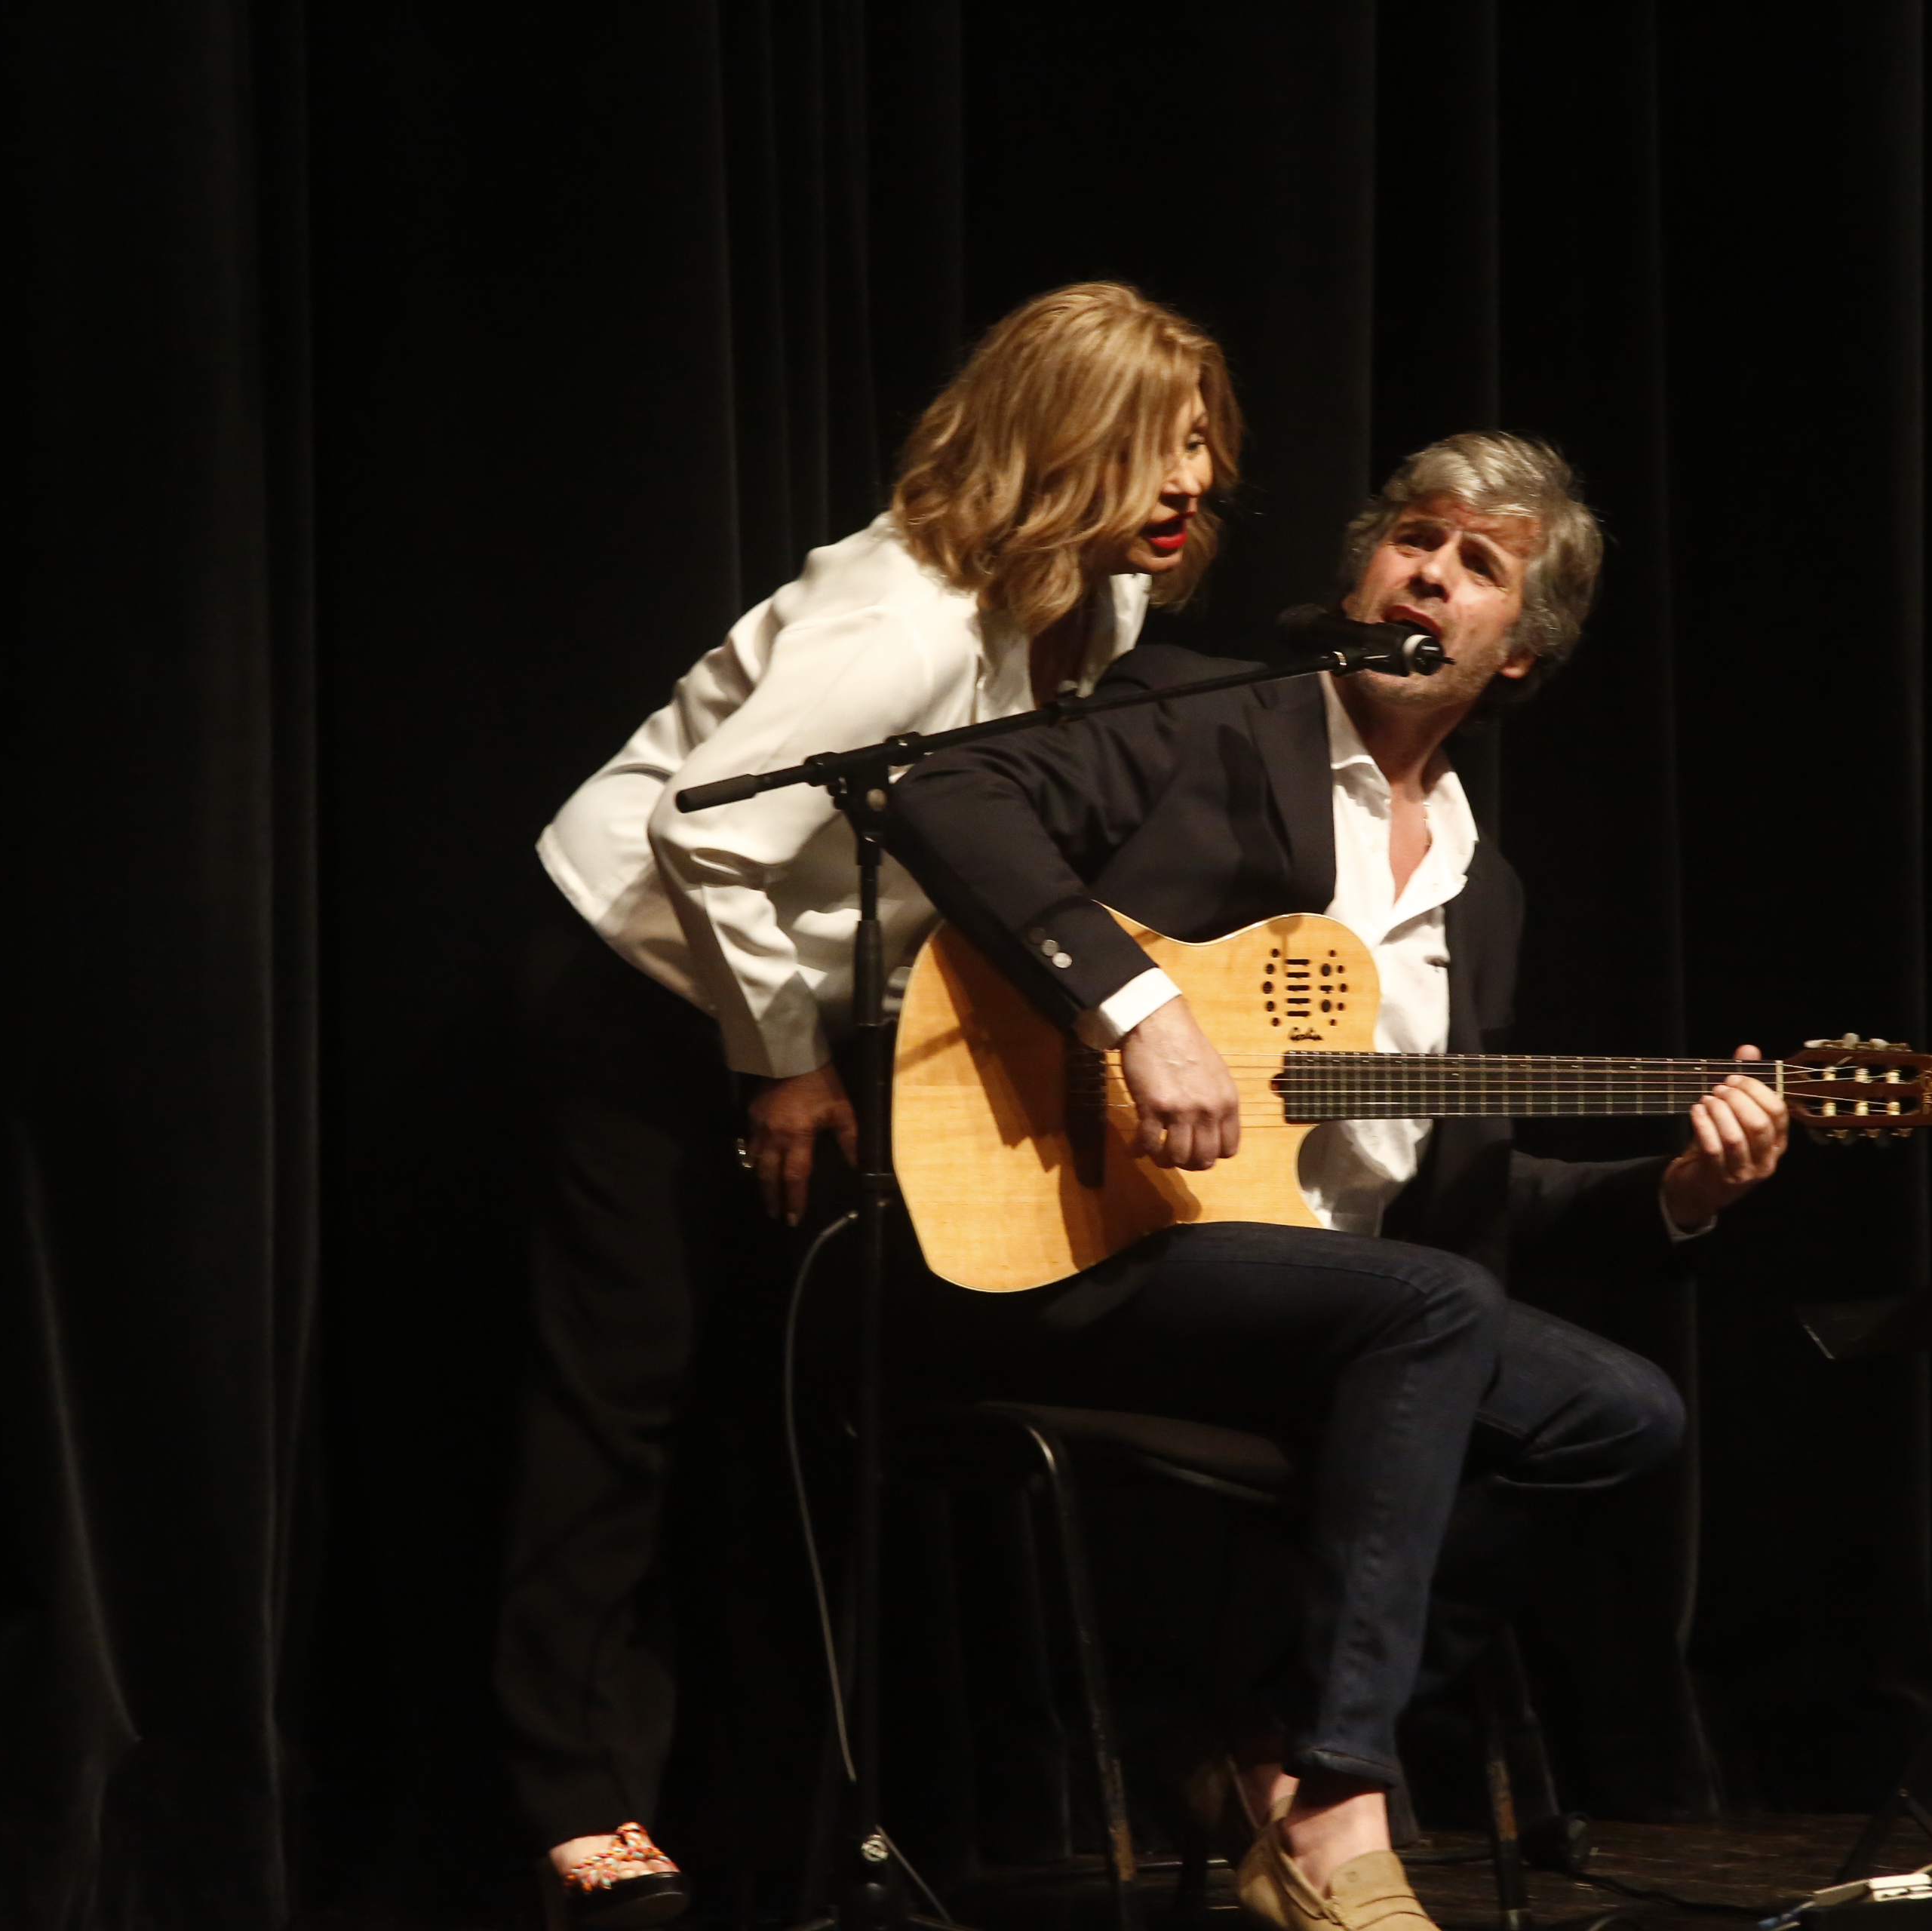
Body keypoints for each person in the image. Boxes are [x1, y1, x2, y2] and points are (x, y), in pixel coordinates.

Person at [883, 432, 1792, 1931]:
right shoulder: (1203, 713)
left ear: (1520, 653)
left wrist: (1681, 1191)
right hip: (1093, 1238)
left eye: (1477, 565)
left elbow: (1456, 1180)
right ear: (1365, 568)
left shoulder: (1483, 891)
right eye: (1413, 538)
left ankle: (1257, 1733)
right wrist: (1139, 1011)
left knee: (1621, 1411)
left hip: (1332, 1297)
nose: (1427, 572)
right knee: (1431, 1308)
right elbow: (947, 792)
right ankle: (1338, 1805)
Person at [509, 283, 1242, 1925]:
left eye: (1203, 439)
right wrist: (780, 1062)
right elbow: (705, 831)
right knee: (620, 1394)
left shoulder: (1092, 606)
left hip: (787, 1001)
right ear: (1062, 441)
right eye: (1158, 441)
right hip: (639, 987)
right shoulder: (900, 624)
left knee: (780, 1401)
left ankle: (764, 1813)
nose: (1195, 477)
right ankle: (575, 1797)